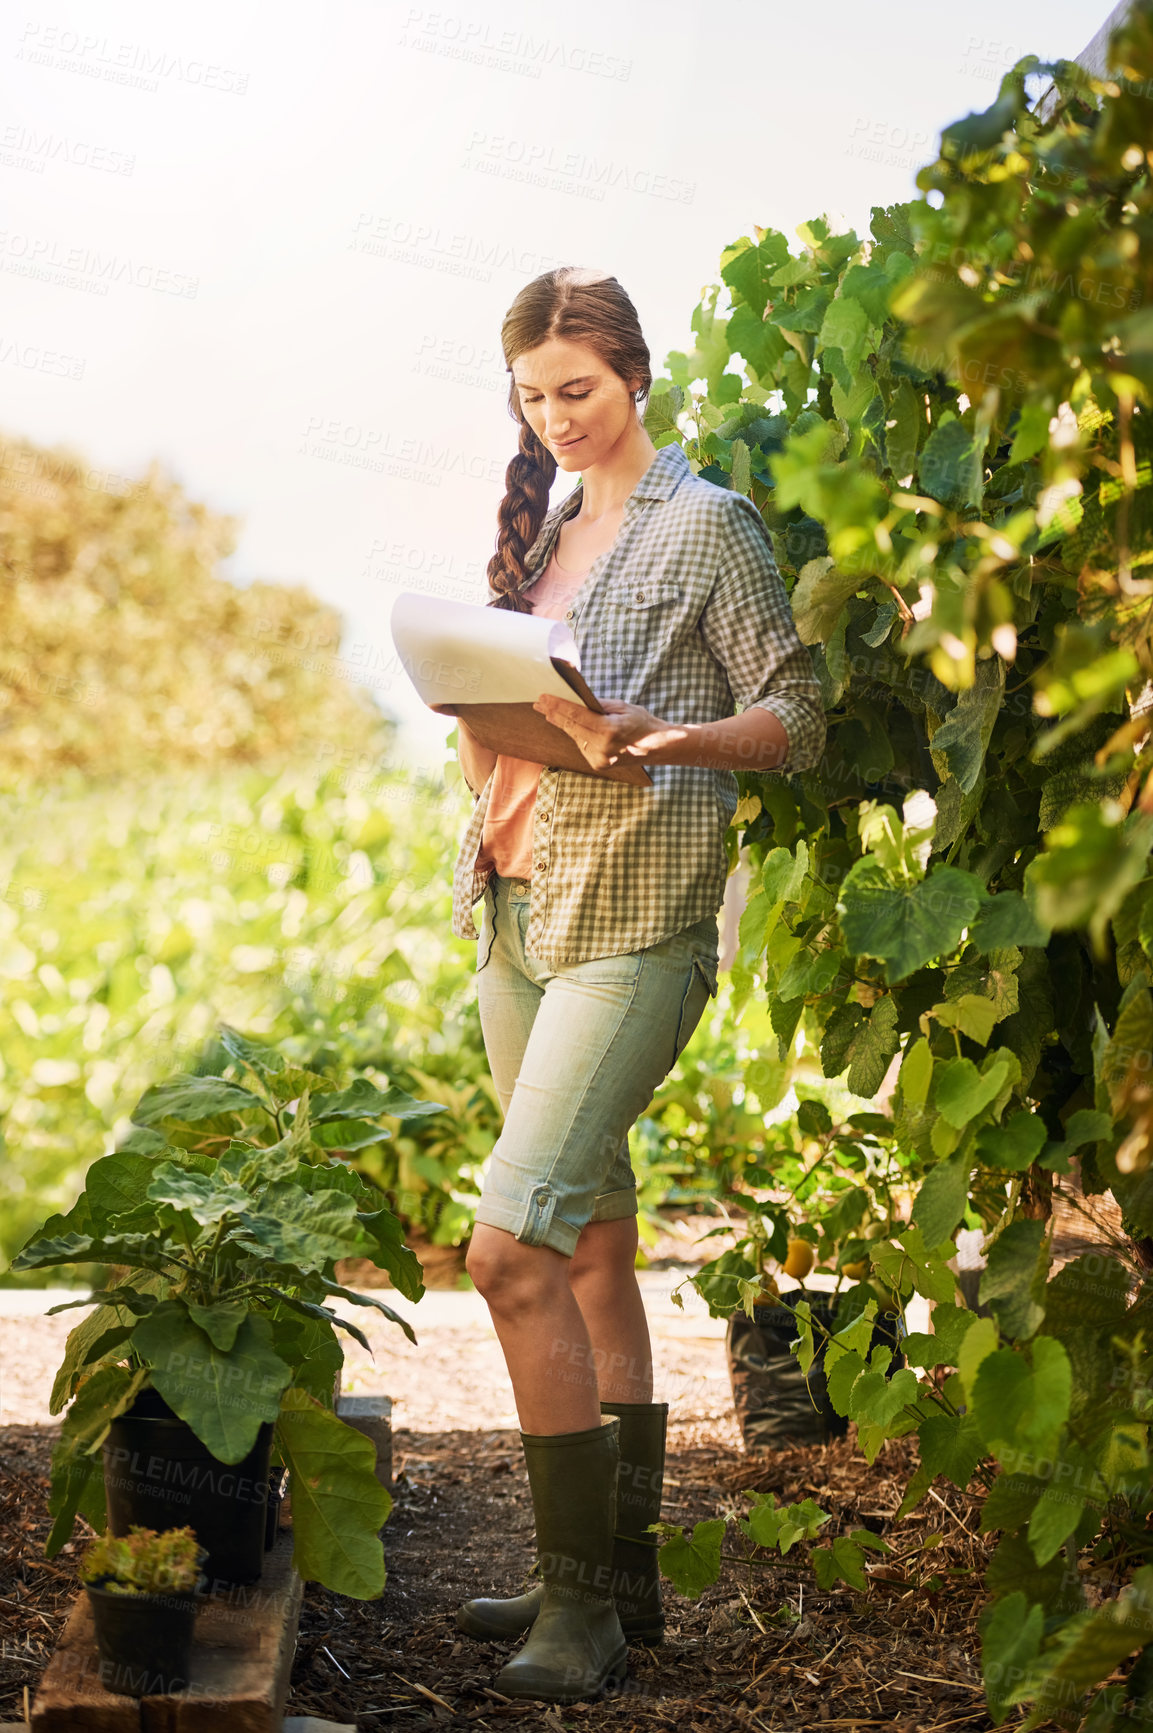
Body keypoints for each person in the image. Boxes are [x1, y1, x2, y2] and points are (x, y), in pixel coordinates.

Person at [449, 265, 826, 1704]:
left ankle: (586, 1623)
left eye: (579, 392)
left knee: (511, 1253)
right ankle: (601, 1582)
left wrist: (671, 739)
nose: (557, 419)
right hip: (517, 918)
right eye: (535, 397)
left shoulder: (707, 525)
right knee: (594, 1251)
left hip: (633, 930)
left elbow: (795, 714)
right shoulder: (548, 524)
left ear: (636, 378)